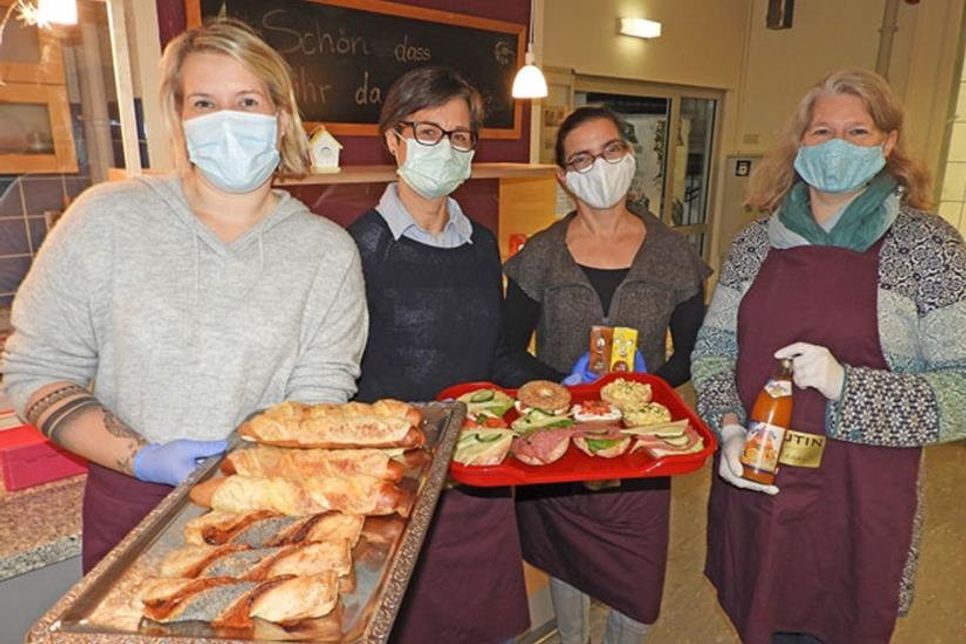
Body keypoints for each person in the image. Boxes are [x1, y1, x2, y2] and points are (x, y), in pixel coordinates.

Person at [0, 18, 367, 573]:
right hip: (131, 510)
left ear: (281, 118)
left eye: (247, 101)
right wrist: (141, 457)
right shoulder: (107, 219)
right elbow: (37, 370)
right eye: (204, 103)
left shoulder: (326, 252)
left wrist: (251, 474)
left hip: (268, 514)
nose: (227, 119)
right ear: (180, 120)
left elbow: (319, 396)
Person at [691, 68, 966, 644]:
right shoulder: (755, 243)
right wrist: (729, 426)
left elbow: (962, 389)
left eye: (857, 131)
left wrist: (848, 385)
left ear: (888, 143)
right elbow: (714, 352)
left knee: (842, 619)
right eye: (822, 131)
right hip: (760, 478)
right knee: (760, 613)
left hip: (859, 498)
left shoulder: (929, 247)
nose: (837, 145)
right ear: (800, 142)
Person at [501, 106, 711, 644]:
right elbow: (504, 352)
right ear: (563, 176)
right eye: (582, 158)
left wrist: (650, 388)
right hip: (563, 453)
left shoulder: (673, 253)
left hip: (641, 453)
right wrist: (562, 390)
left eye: (611, 150)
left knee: (637, 594)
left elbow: (696, 349)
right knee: (567, 569)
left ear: (629, 155)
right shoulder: (542, 255)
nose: (600, 165)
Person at [347, 66, 529, 644]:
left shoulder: (481, 245)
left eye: (460, 135)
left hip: (479, 478)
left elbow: (496, 355)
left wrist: (559, 387)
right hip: (397, 488)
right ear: (393, 139)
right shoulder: (357, 248)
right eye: (428, 132)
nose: (445, 147)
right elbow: (341, 382)